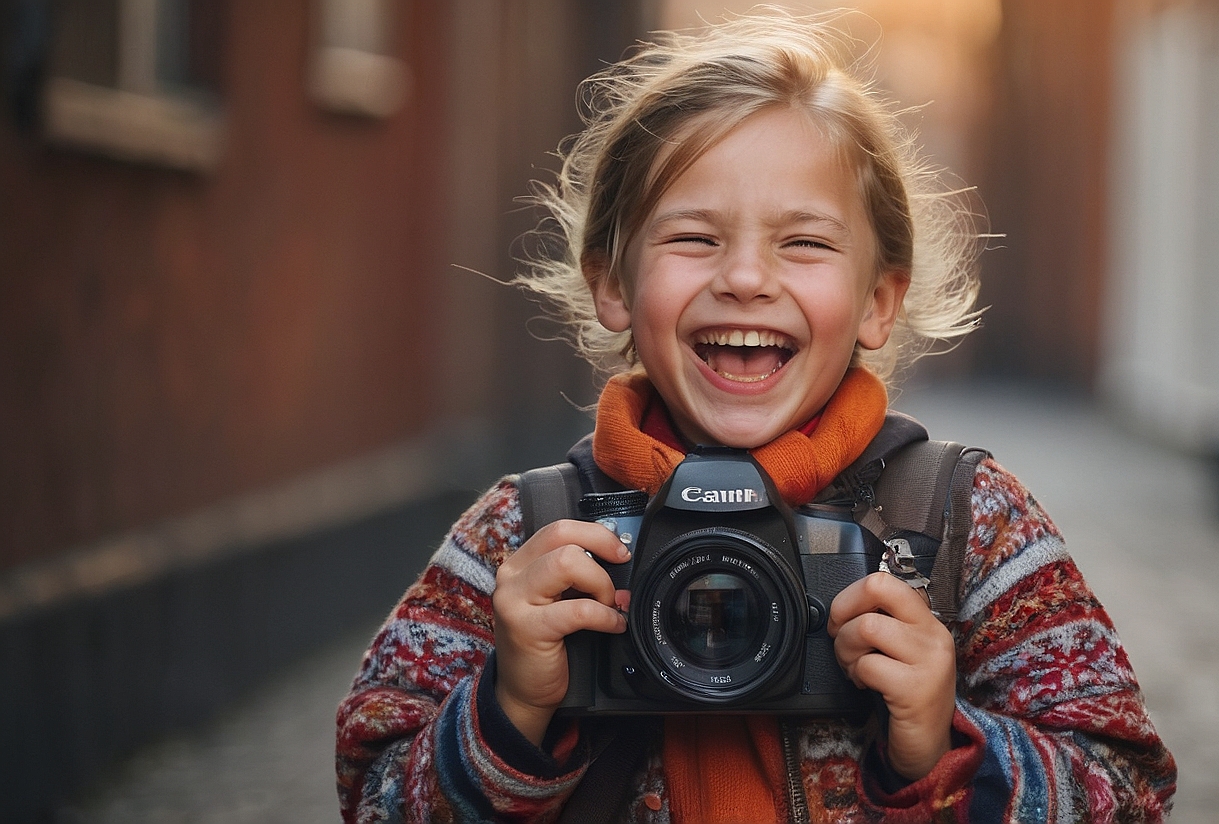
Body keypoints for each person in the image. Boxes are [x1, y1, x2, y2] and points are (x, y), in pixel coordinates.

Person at [335, 9, 1176, 823]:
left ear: (878, 300)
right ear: (613, 284)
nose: (745, 277)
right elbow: (373, 791)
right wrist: (511, 705)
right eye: (694, 238)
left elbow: (1128, 790)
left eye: (803, 243)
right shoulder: (530, 537)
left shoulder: (960, 524)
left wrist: (943, 746)